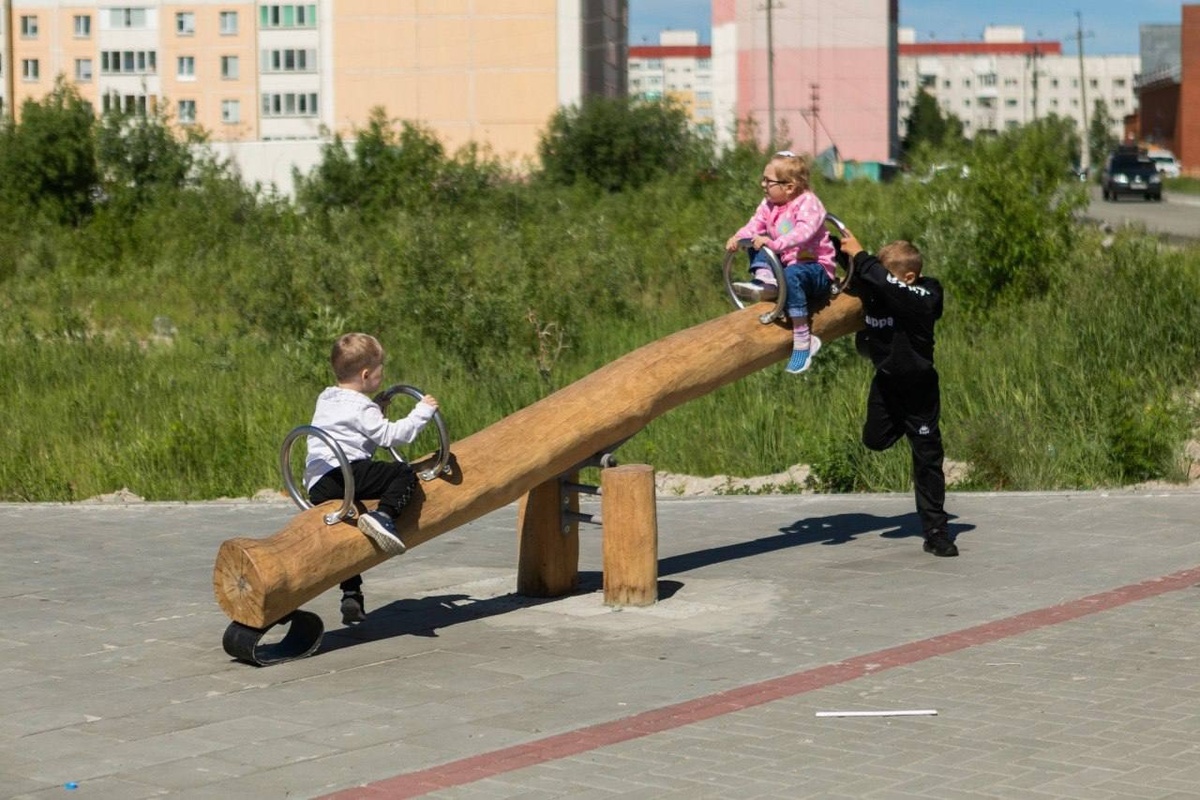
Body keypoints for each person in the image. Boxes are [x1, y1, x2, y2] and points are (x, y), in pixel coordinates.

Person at [304, 332, 440, 622]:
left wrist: (375, 408)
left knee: (348, 526)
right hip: (346, 473)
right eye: (381, 370)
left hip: (317, 481)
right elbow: (392, 436)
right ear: (366, 375)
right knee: (402, 473)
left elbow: (350, 425)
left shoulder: (327, 397)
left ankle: (351, 595)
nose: (383, 375)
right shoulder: (361, 407)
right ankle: (384, 516)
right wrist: (422, 412)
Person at [838, 231, 958, 557]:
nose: (878, 281)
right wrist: (826, 238)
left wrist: (863, 259)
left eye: (884, 274)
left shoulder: (927, 293)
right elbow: (853, 268)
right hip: (887, 384)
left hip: (920, 389)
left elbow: (890, 287)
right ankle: (909, 429)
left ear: (908, 276)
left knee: (927, 460)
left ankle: (937, 532)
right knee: (874, 440)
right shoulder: (876, 286)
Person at [725, 150, 838, 374]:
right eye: (763, 179)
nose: (763, 184)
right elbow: (753, 225)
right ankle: (766, 281)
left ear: (789, 186)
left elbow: (803, 232)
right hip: (785, 265)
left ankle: (803, 337)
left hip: (814, 267)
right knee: (754, 242)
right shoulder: (768, 205)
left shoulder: (808, 202)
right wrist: (738, 238)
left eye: (768, 180)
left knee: (790, 270)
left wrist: (775, 244)